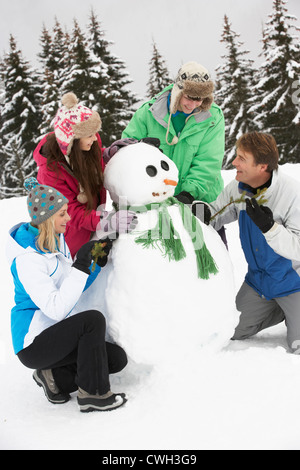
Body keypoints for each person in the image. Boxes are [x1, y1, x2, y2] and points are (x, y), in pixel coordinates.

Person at [7, 177, 128, 412]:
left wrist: (95, 262)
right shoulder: (28, 259)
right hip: (33, 342)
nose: (69, 218)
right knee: (92, 321)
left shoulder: (54, 240)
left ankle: (53, 377)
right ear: (47, 218)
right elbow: (56, 307)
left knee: (115, 359)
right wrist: (81, 266)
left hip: (55, 331)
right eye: (62, 214)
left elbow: (71, 285)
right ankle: (94, 394)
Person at [193, 132, 300, 353]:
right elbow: (215, 214)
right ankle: (279, 310)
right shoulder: (238, 188)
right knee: (230, 331)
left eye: (242, 158)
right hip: (258, 283)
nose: (234, 162)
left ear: (262, 166)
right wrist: (200, 212)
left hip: (293, 283)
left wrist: (270, 228)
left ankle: (292, 310)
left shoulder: (292, 194)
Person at [121, 61, 227, 245]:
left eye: (200, 99)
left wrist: (188, 193)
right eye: (189, 97)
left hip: (199, 201)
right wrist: (139, 149)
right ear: (178, 90)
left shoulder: (213, 118)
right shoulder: (149, 113)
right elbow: (126, 150)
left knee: (210, 261)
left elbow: (208, 161)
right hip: (157, 203)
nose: (193, 104)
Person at [33, 92, 137, 258]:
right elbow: (69, 211)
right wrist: (105, 221)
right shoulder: (51, 171)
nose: (95, 139)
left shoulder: (86, 145)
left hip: (92, 225)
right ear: (71, 141)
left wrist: (108, 154)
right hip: (69, 241)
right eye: (89, 135)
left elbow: (91, 162)